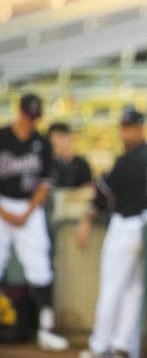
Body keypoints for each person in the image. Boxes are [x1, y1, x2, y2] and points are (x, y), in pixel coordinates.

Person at [76, 108, 147, 358]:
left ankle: (99, 346)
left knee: (113, 287)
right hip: (142, 226)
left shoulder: (132, 158)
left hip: (127, 226)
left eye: (129, 127)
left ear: (140, 128)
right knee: (133, 288)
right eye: (123, 127)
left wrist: (86, 220)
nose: (125, 132)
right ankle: (121, 345)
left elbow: (104, 192)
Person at [0, 93, 68, 351]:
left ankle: (45, 328)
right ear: (19, 111)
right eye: (28, 115)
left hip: (30, 207)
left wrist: (27, 212)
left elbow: (45, 184)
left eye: (34, 116)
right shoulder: (2, 136)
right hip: (2, 203)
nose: (30, 121)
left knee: (40, 267)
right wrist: (5, 212)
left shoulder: (41, 143)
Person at [47, 122, 92, 188]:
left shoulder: (82, 165)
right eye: (52, 138)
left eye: (60, 137)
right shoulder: (49, 164)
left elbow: (87, 190)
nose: (56, 141)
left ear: (70, 137)